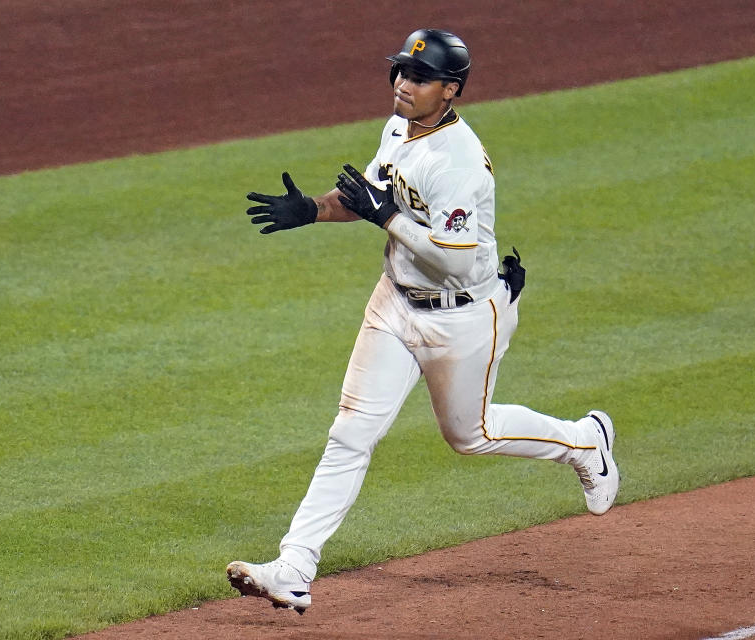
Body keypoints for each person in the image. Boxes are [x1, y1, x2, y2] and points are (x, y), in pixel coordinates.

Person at [227, 28, 619, 615]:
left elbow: (456, 261)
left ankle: (585, 441)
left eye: (419, 77)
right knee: (351, 432)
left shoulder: (460, 162)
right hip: (394, 304)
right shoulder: (398, 129)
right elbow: (365, 197)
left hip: (463, 317)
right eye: (400, 72)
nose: (403, 84)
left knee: (471, 436)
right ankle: (293, 567)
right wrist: (312, 209)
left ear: (451, 90)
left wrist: (386, 217)